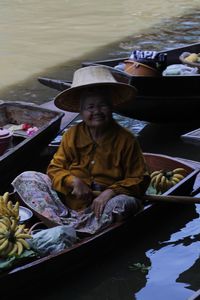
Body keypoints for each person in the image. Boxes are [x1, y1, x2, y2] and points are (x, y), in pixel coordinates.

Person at [12, 66, 150, 235]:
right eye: (90, 107)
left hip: (101, 209)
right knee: (27, 178)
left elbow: (139, 178)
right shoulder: (72, 135)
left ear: (112, 107)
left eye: (103, 105)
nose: (97, 112)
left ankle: (76, 231)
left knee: (123, 204)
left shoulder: (126, 139)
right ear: (81, 111)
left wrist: (111, 191)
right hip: (66, 205)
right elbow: (55, 169)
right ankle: (62, 225)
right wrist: (73, 181)